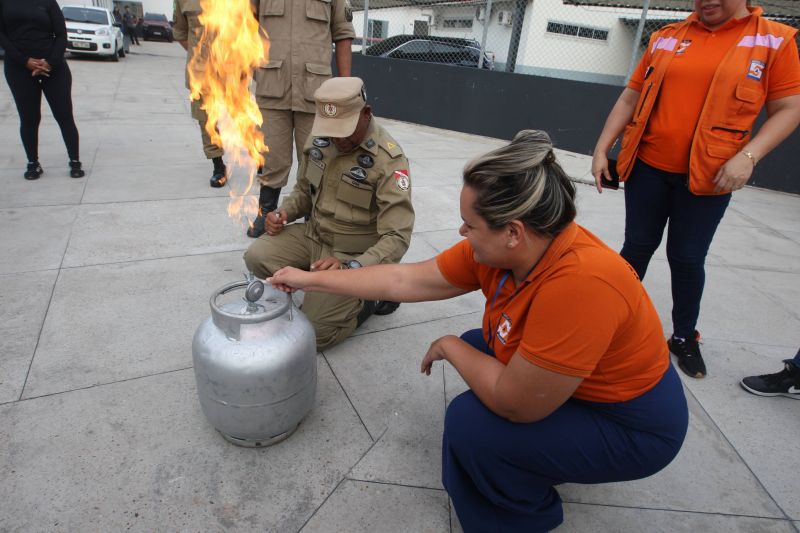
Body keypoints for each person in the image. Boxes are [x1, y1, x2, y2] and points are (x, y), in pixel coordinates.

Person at [267, 130, 688, 532]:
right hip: (585, 389)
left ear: (513, 232)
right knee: (479, 348)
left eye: (470, 224)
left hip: (631, 426)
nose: (462, 232)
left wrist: (448, 345)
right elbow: (404, 281)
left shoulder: (582, 283)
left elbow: (516, 404)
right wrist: (310, 280)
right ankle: (532, 464)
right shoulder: (515, 247)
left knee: (472, 426)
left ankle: (517, 519)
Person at [591, 0, 800, 378]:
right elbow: (631, 96)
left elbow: (789, 107)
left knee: (687, 258)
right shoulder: (667, 37)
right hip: (648, 169)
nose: (707, 2)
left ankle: (684, 337)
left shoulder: (775, 41)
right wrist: (603, 147)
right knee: (636, 247)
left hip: (710, 176)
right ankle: (604, 324)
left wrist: (749, 156)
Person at [244, 77, 414, 351]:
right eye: (331, 128)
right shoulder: (320, 140)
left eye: (344, 129)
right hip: (313, 236)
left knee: (313, 335)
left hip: (352, 255)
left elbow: (397, 236)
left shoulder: (388, 160)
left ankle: (370, 298)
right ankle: (318, 286)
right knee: (257, 257)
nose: (337, 138)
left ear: (366, 113)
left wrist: (352, 269)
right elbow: (303, 191)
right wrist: (284, 212)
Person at [246, 0, 355, 238]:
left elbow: (343, 35)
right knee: (271, 154)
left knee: (317, 159)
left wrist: (345, 89)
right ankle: (266, 211)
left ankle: (314, 215)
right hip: (272, 86)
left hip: (316, 91)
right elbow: (244, 26)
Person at [0, 0, 85, 180]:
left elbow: (61, 34)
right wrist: (25, 61)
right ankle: (33, 162)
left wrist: (50, 62)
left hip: (53, 67)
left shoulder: (48, 2)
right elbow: (2, 36)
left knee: (64, 115)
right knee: (29, 118)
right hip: (18, 68)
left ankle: (75, 160)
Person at [173, 0, 228, 187]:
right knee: (207, 122)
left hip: (234, 69)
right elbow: (181, 33)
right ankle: (218, 165)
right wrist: (202, 55)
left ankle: (260, 158)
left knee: (250, 116)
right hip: (201, 74)